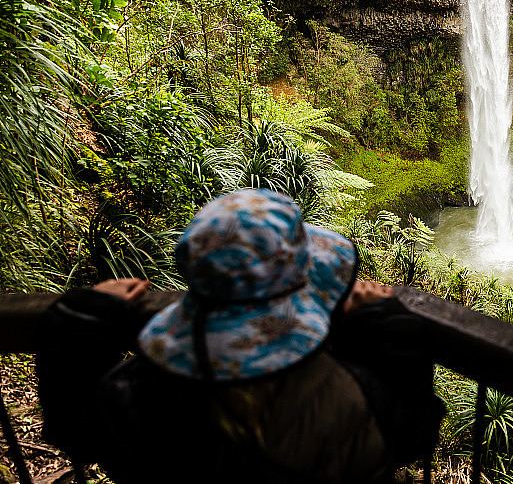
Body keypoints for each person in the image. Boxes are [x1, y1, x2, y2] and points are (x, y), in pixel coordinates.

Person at [41, 189, 443, 484]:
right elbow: (414, 431)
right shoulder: (344, 400)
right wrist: (384, 324)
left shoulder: (137, 394)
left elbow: (73, 428)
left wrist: (80, 319)